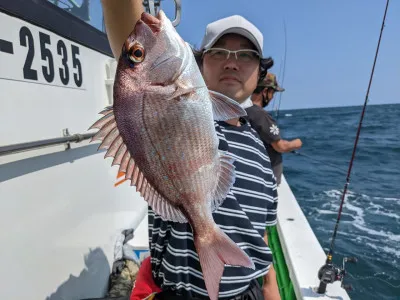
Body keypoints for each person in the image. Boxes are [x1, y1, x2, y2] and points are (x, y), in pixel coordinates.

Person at [101, 1, 281, 299]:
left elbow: (260, 236)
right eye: (219, 52)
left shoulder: (262, 152)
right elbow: (130, 32)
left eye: (246, 55)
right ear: (199, 62)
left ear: (260, 72)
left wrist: (270, 288)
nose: (232, 62)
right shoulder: (189, 107)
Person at [247, 73, 302, 185]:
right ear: (265, 91)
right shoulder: (260, 115)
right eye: (272, 93)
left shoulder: (245, 111)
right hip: (266, 183)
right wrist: (297, 143)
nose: (272, 97)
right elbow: (280, 146)